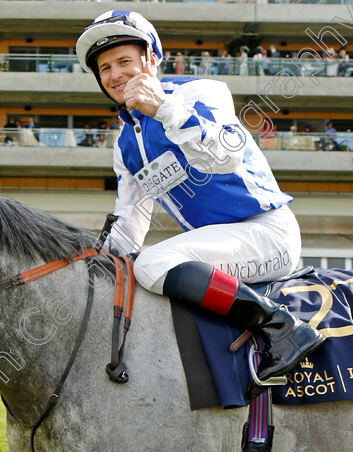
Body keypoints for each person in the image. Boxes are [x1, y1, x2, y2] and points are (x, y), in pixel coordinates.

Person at [75, 10, 323, 387]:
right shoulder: (124, 144)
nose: (115, 75)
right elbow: (129, 227)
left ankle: (283, 327)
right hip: (219, 249)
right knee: (133, 266)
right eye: (105, 68)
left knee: (154, 263)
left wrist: (164, 110)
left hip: (266, 233)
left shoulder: (202, 92)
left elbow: (226, 157)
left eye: (124, 61)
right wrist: (88, 263)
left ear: (152, 59)